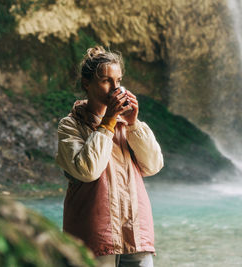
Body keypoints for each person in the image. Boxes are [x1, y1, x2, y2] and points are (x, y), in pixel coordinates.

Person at [55, 46, 164, 267]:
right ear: (87, 84)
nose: (115, 88)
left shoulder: (128, 125)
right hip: (94, 235)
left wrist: (133, 123)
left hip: (136, 232)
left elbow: (153, 165)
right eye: (106, 80)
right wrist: (108, 124)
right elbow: (87, 171)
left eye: (119, 80)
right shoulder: (70, 125)